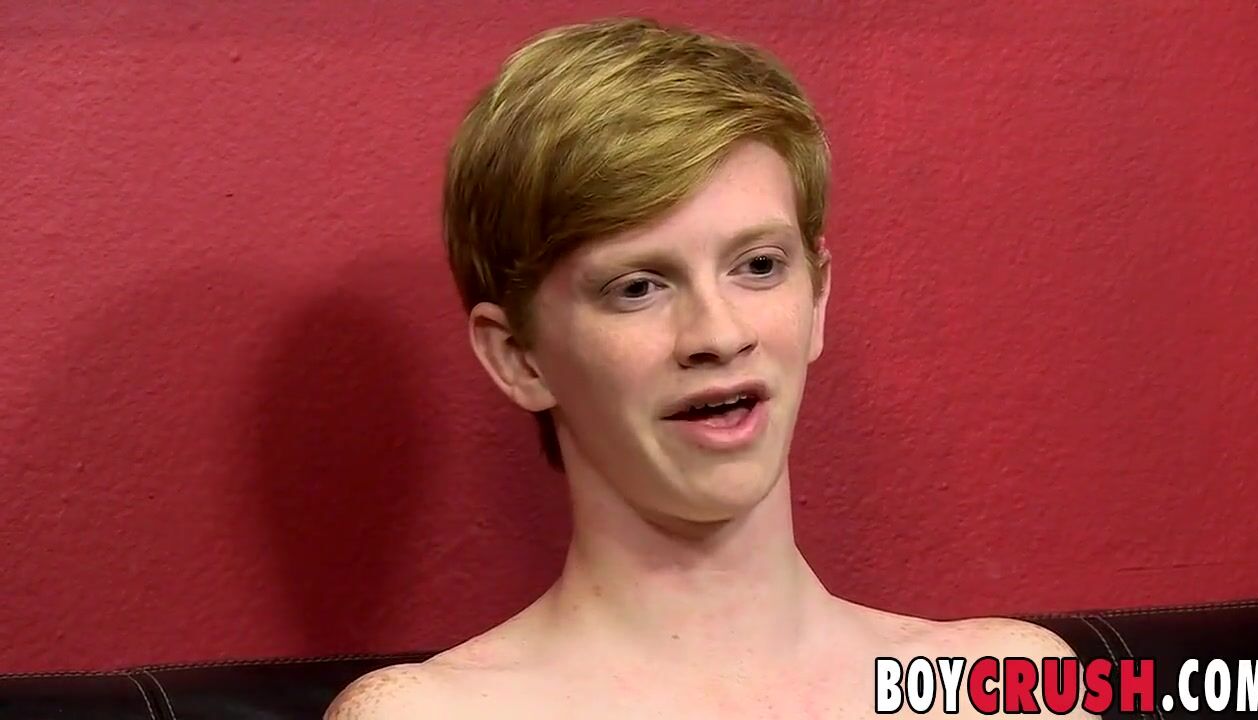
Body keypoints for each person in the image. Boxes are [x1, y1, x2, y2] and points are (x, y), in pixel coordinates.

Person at [327, 16, 1091, 719]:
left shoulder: (1003, 688)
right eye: (638, 287)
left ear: (817, 298)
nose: (718, 335)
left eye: (758, 266)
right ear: (517, 356)